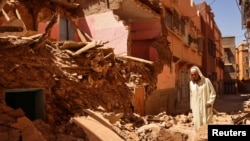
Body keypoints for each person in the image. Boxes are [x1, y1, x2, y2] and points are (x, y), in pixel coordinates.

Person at [189, 66, 216, 132]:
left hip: (205, 107)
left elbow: (213, 93)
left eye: (195, 74)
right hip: (196, 108)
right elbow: (191, 96)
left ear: (199, 73)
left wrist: (210, 102)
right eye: (192, 75)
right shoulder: (191, 83)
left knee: (206, 124)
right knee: (197, 124)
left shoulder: (206, 81)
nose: (194, 76)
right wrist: (192, 107)